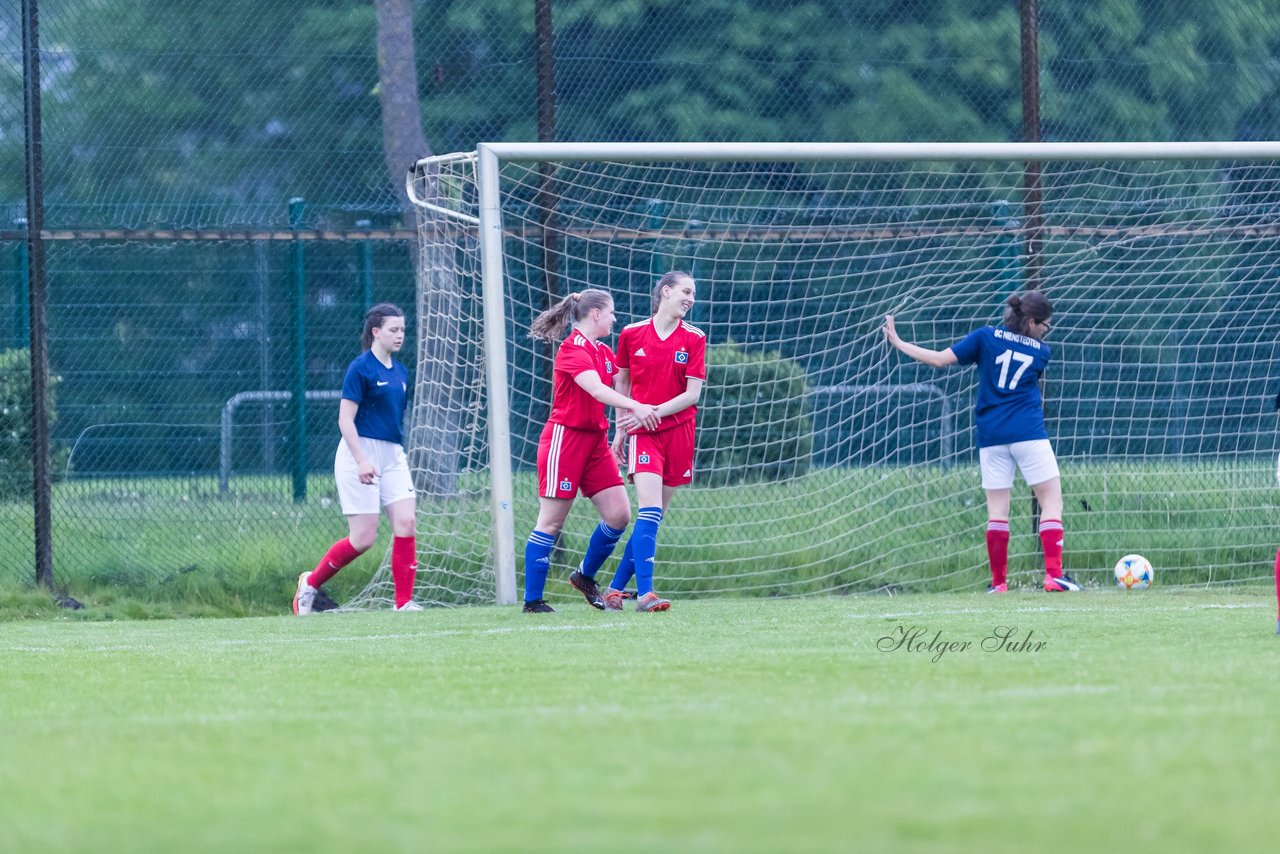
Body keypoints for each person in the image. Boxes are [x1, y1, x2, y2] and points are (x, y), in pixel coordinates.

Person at [882, 290, 1080, 593]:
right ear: (1030, 321)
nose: (1045, 331)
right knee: (1051, 502)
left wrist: (898, 342)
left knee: (997, 511)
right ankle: (1054, 576)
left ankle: (999, 584)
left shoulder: (985, 337)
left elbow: (938, 360)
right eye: (1045, 325)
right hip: (1028, 434)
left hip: (991, 436)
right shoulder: (1042, 352)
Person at [522, 288, 661, 613]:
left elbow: (619, 383)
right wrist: (637, 408)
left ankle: (584, 576)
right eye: (611, 312)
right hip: (565, 440)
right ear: (595, 313)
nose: (615, 318)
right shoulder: (573, 349)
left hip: (596, 442)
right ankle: (533, 601)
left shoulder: (601, 351)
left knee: (619, 515)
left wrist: (619, 431)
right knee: (551, 522)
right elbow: (597, 390)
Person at [293, 303, 422, 614]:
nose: (400, 335)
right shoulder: (360, 368)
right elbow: (345, 420)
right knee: (363, 538)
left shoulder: (401, 372)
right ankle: (309, 585)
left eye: (403, 330)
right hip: (358, 453)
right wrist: (363, 460)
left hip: (392, 454)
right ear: (375, 332)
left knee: (406, 522)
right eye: (393, 329)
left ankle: (403, 603)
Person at [605, 271, 707, 612]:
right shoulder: (632, 333)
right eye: (686, 291)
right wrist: (621, 429)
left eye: (694, 293)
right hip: (643, 433)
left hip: (679, 433)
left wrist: (654, 410)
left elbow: (692, 395)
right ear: (666, 292)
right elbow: (623, 383)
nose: (691, 298)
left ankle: (615, 590)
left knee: (654, 517)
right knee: (648, 511)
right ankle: (646, 594)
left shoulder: (694, 338)